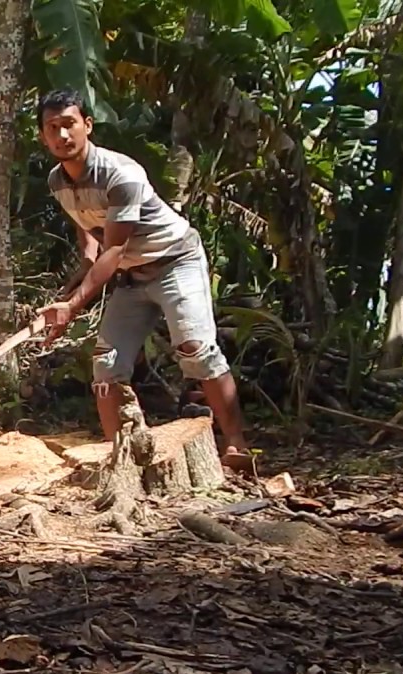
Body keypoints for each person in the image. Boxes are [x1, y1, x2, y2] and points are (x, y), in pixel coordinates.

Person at [33, 88, 252, 470]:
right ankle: (120, 460)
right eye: (52, 128)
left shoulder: (122, 174)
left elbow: (114, 250)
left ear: (87, 125)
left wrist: (71, 305)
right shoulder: (57, 181)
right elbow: (87, 228)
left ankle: (236, 446)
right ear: (43, 136)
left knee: (195, 348)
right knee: (105, 365)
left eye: (69, 124)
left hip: (174, 261)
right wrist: (82, 261)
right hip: (131, 276)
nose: (62, 135)